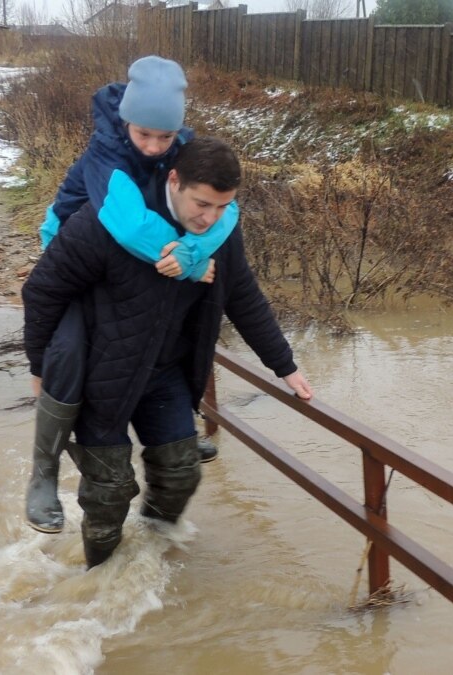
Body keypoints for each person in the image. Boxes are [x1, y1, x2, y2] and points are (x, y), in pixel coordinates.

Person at [22, 136, 313, 569]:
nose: (211, 218)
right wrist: (41, 365)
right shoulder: (108, 222)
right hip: (102, 377)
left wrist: (284, 366)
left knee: (181, 472)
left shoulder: (220, 233)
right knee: (108, 494)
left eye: (222, 207)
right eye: (202, 204)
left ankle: (151, 551)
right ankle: (99, 576)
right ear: (174, 181)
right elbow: (43, 289)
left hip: (165, 374)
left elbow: (244, 298)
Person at [25, 57, 229, 536]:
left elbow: (229, 205)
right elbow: (126, 225)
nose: (156, 148)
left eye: (165, 137)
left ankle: (173, 436)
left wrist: (197, 248)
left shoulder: (182, 146)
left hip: (136, 255)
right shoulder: (107, 153)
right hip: (76, 246)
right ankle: (43, 473)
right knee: (70, 350)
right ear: (126, 122)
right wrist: (192, 260)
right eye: (145, 135)